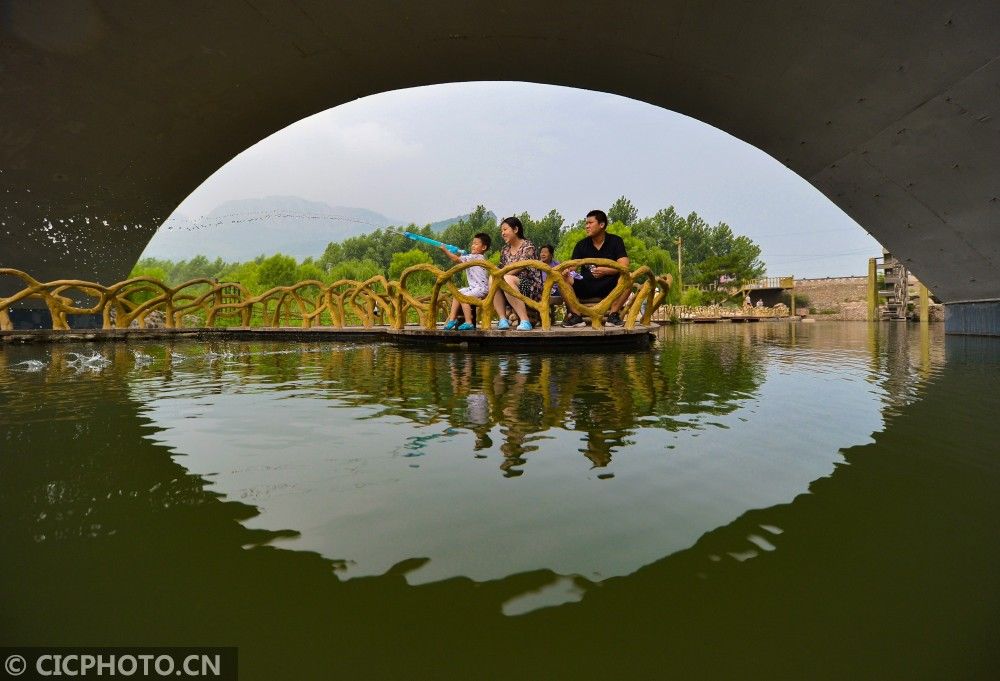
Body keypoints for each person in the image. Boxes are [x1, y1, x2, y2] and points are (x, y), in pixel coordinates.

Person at [562, 210, 630, 327]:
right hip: (585, 285)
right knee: (561, 279)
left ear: (602, 225)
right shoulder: (581, 244)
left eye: (590, 223)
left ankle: (613, 315)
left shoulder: (616, 241)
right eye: (586, 223)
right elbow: (572, 266)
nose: (586, 226)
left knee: (629, 278)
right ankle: (576, 316)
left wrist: (606, 271)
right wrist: (566, 270)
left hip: (610, 286)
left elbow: (624, 266)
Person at [493, 216, 542, 330]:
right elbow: (500, 267)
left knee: (507, 278)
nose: (503, 233)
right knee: (493, 278)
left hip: (530, 286)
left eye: (505, 229)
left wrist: (501, 274)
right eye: (502, 231)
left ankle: (525, 320)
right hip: (508, 285)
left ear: (515, 229)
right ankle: (502, 319)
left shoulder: (528, 247)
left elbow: (520, 267)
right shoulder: (504, 250)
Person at [441, 233, 491, 330]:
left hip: (481, 289)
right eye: (473, 243)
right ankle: (452, 319)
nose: (473, 245)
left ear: (484, 247)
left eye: (476, 244)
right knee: (457, 294)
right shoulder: (471, 257)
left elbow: (456, 259)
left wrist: (445, 250)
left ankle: (469, 322)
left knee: (464, 298)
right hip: (474, 288)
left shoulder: (476, 257)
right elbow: (460, 258)